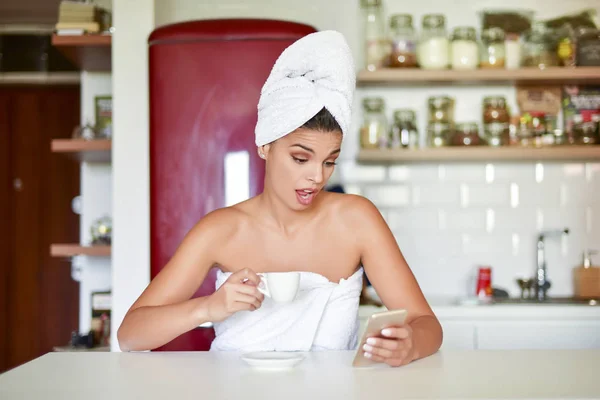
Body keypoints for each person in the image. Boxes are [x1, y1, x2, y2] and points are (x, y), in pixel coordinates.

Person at [118, 30, 442, 367]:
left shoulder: (356, 220)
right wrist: (210, 307)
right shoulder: (220, 230)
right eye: (301, 158)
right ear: (265, 145)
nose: (317, 176)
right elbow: (130, 335)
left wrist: (411, 344)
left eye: (329, 161)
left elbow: (426, 323)